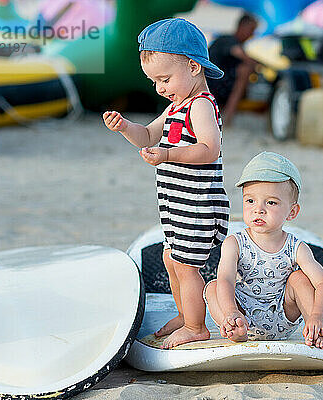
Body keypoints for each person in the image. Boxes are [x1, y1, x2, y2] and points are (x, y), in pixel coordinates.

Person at [102, 18, 230, 349]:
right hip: (177, 205)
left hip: (198, 204)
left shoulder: (200, 105)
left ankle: (196, 326)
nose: (159, 87)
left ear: (192, 66)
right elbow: (146, 135)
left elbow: (208, 149)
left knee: (186, 265)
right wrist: (125, 127)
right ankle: (187, 313)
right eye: (154, 81)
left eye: (164, 78)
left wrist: (168, 155)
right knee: (173, 260)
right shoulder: (176, 106)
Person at [204, 152, 323, 348]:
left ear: (292, 212)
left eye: (271, 202)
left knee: (298, 279)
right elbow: (226, 280)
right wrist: (231, 310)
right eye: (250, 201)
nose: (259, 209)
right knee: (214, 286)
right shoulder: (235, 242)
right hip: (243, 316)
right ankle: (234, 329)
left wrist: (318, 315)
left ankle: (313, 329)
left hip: (283, 316)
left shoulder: (296, 247)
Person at [207, 13, 258, 126]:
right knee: (245, 70)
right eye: (251, 30)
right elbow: (240, 54)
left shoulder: (234, 43)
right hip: (211, 84)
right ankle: (229, 116)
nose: (252, 34)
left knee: (245, 69)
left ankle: (227, 115)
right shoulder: (228, 40)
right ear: (241, 27)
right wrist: (257, 64)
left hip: (219, 86)